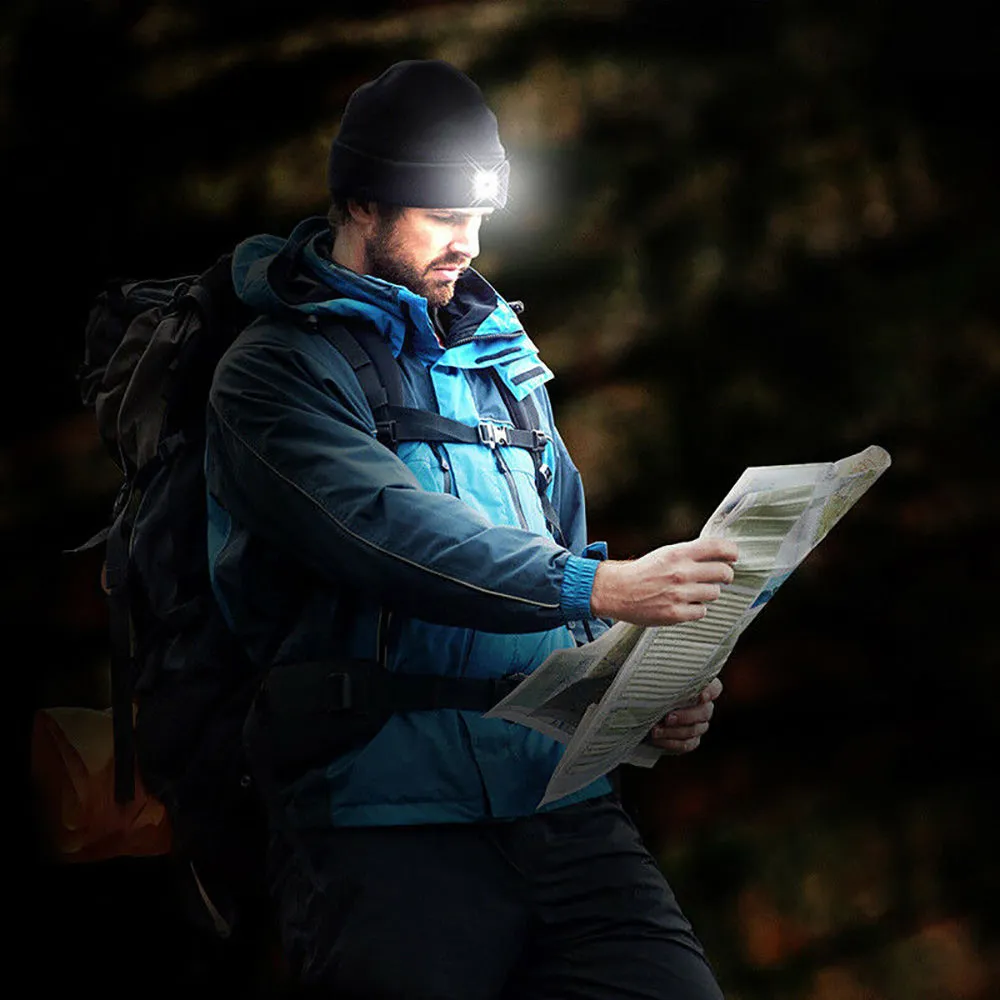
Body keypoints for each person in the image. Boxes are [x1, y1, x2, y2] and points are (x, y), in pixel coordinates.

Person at [205, 58, 738, 999]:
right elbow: (386, 533)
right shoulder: (273, 372)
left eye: (482, 219)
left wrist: (640, 686)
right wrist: (597, 587)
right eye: (444, 217)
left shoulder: (502, 364)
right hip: (384, 831)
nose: (470, 244)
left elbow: (569, 558)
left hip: (564, 809)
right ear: (362, 205)